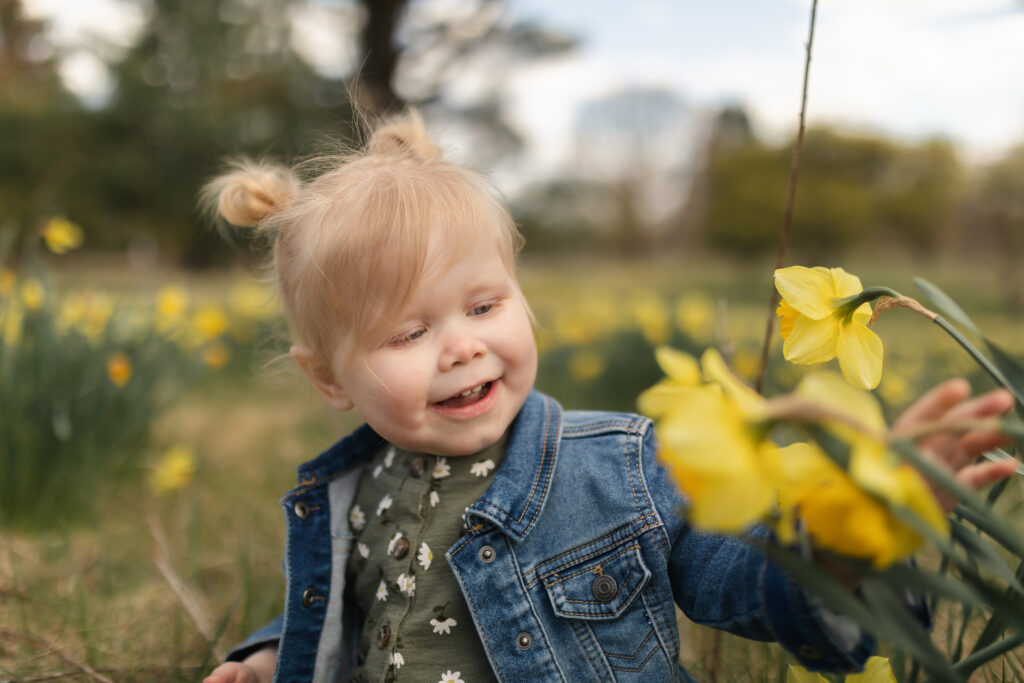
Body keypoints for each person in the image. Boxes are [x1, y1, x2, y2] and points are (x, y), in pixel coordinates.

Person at [202, 112, 1015, 683]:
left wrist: (843, 544)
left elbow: (745, 580)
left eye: (484, 305)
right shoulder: (351, 492)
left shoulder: (618, 471)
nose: (462, 345)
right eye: (408, 333)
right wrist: (274, 657)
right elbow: (349, 618)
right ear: (331, 379)